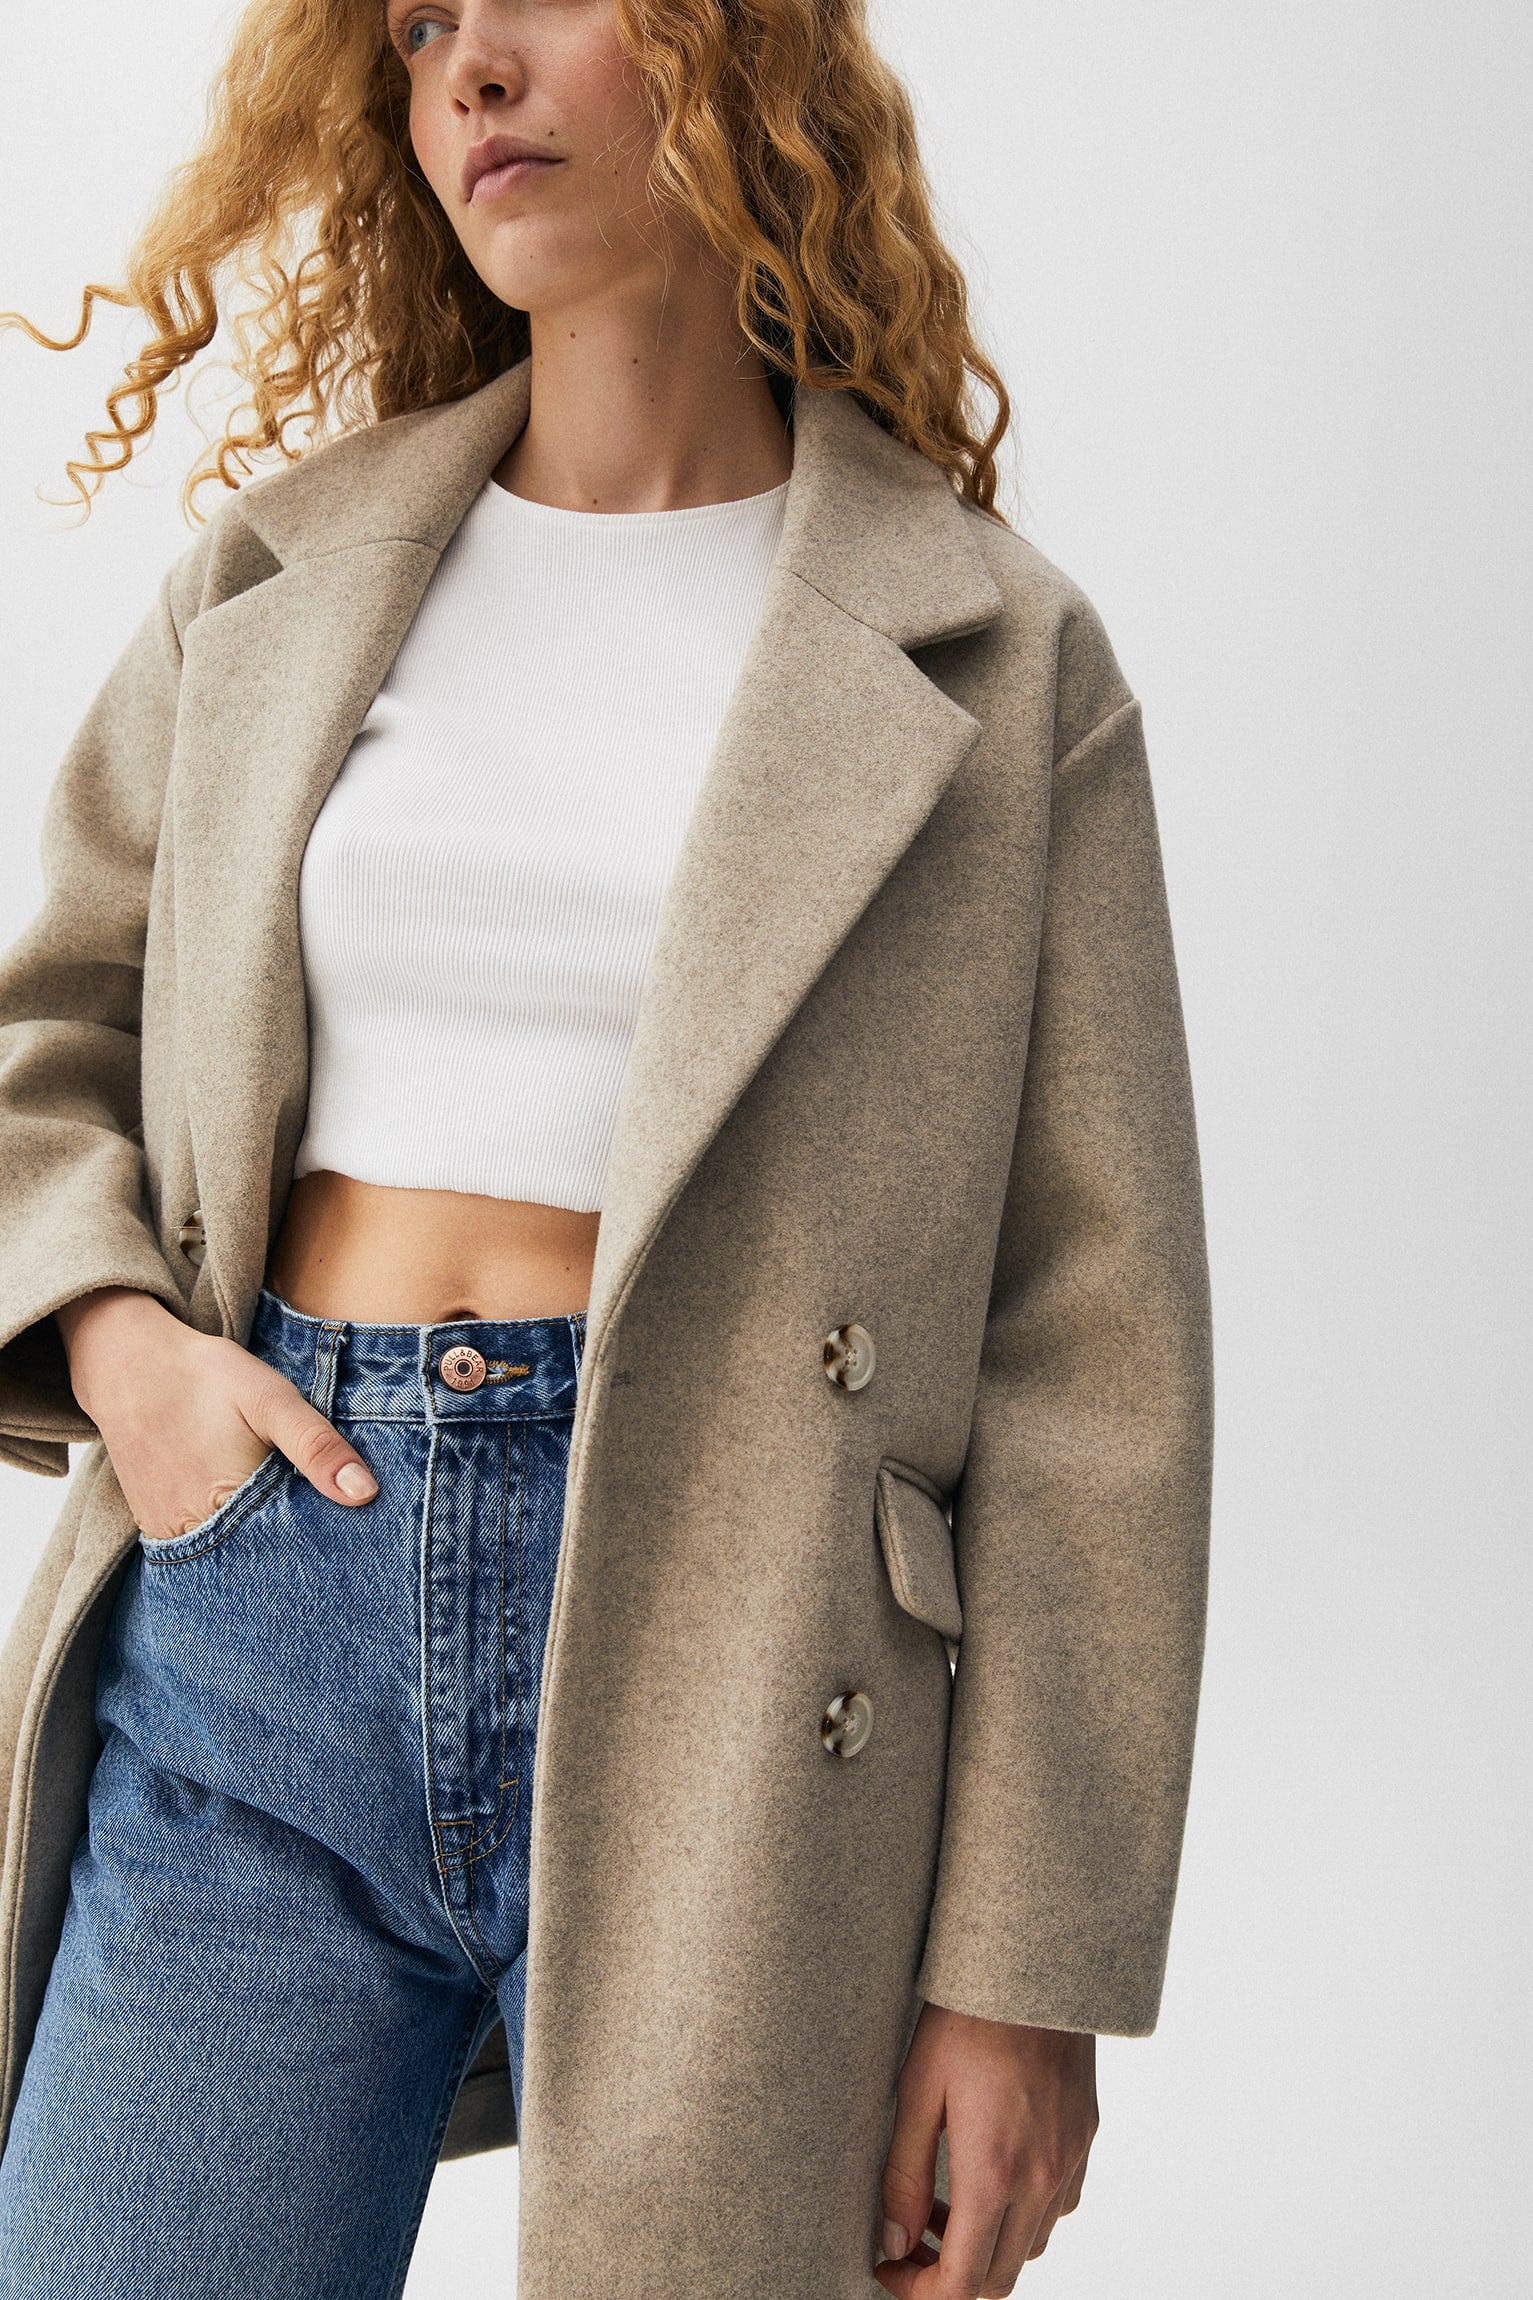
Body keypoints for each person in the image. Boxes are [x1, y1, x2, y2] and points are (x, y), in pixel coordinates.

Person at [0, 2, 1213, 2294]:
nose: (468, 64)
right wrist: (130, 1362)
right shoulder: (274, 582)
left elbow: (1094, 1355)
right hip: (256, 1619)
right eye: (421, 24)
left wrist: (1022, 1976)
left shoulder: (994, 663)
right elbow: (45, 1039)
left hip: (746, 1674)